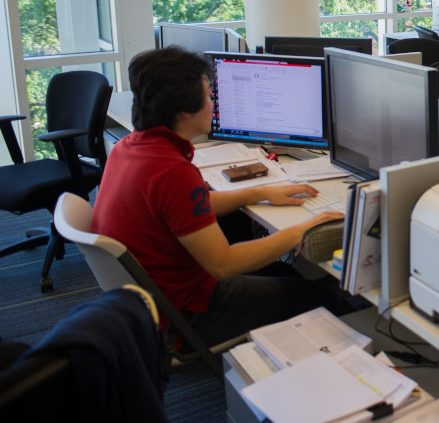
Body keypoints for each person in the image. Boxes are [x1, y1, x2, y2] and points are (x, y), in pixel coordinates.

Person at [92, 46, 355, 346]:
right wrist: (303, 229)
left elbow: (188, 207)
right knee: (320, 296)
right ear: (183, 111)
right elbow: (223, 264)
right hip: (185, 315)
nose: (213, 103)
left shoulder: (129, 148)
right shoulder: (171, 171)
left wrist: (259, 192)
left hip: (148, 302)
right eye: (207, 96)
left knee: (283, 272)